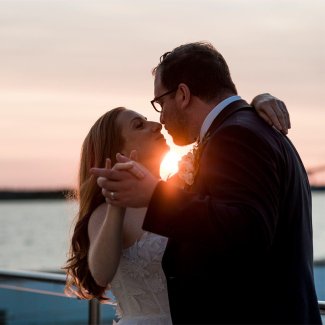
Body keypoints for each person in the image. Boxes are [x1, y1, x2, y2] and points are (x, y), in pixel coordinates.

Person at [91, 42, 322, 324]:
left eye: (161, 103)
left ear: (183, 94)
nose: (160, 120)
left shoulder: (235, 135)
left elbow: (248, 230)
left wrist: (155, 197)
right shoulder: (244, 128)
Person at [64, 95, 291, 325]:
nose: (157, 124)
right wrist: (117, 202)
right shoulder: (105, 213)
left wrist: (258, 102)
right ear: (115, 149)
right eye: (139, 125)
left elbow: (226, 224)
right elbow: (101, 273)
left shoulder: (182, 191)